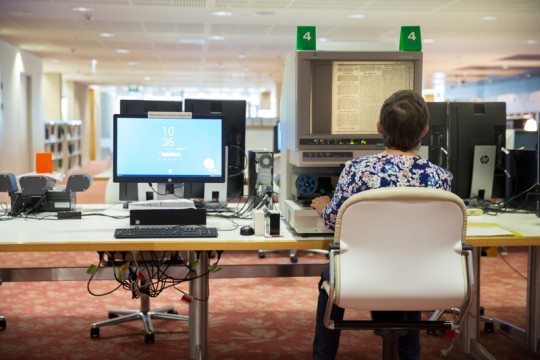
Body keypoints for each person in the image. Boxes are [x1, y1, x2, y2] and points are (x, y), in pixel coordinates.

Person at [311, 89, 453, 360]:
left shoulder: (356, 170)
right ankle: (409, 355)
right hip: (422, 277)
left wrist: (323, 206)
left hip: (361, 276)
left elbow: (334, 220)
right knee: (408, 265)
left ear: (378, 127)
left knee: (331, 274)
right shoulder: (440, 177)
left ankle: (323, 357)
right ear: (424, 131)